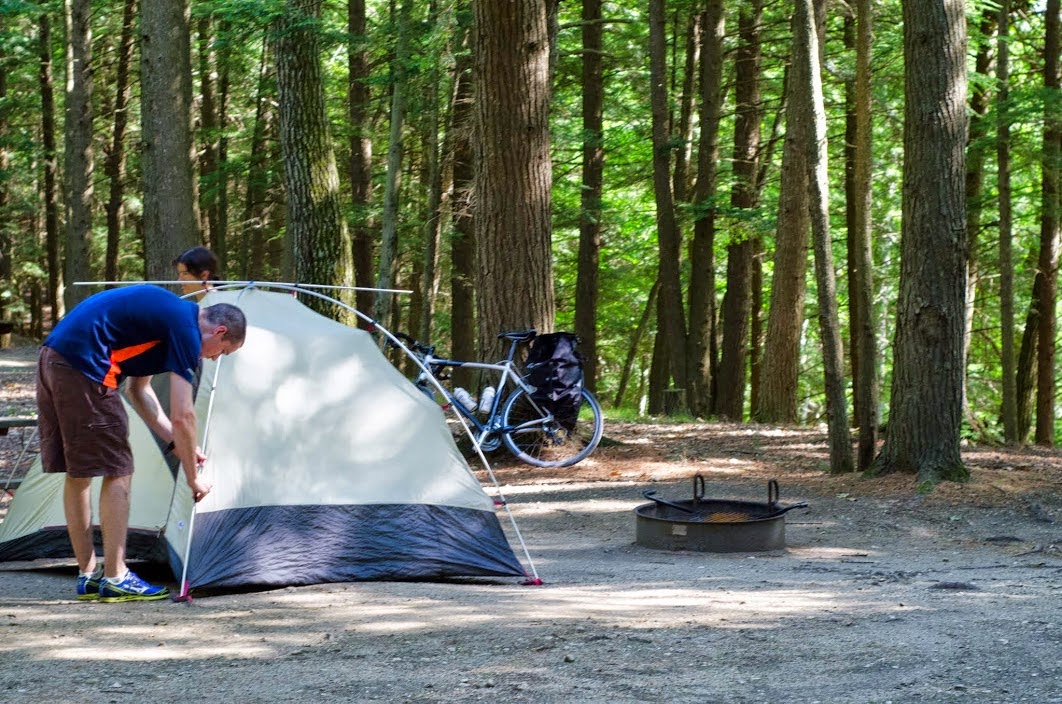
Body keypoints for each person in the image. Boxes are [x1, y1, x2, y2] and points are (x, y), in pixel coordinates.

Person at [36, 284, 246, 602]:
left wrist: (178, 444)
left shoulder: (169, 319)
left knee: (79, 473)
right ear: (219, 331)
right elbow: (183, 415)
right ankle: (117, 576)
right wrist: (192, 477)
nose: (215, 359)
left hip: (55, 359)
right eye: (223, 351)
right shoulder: (186, 331)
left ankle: (88, 575)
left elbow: (139, 392)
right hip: (86, 367)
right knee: (118, 468)